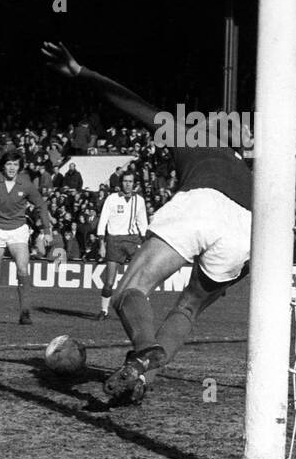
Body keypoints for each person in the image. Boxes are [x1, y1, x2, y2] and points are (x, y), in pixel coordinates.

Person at [44, 40, 251, 405]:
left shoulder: (192, 136)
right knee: (188, 308)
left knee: (129, 290)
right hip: (247, 232)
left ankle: (143, 348)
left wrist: (81, 72)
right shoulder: (253, 175)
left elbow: (133, 104)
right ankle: (140, 375)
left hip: (202, 202)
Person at [0, 150, 54, 324]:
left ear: (19, 166)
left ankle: (25, 313)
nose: (12, 167)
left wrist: (47, 230)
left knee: (22, 269)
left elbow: (41, 205)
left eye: (15, 164)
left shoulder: (26, 184)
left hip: (17, 229)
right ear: (3, 166)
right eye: (9, 164)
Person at [94, 171, 149, 320]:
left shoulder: (139, 200)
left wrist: (145, 242)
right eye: (125, 181)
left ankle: (141, 310)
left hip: (133, 240)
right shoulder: (111, 199)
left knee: (140, 276)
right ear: (121, 183)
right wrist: (101, 243)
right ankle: (104, 310)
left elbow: (142, 222)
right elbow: (103, 220)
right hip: (114, 241)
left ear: (134, 183)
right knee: (109, 281)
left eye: (130, 181)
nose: (128, 184)